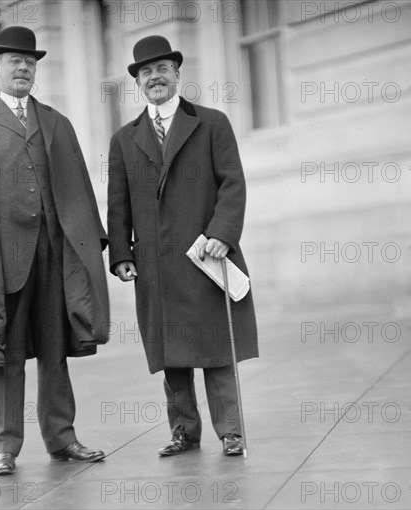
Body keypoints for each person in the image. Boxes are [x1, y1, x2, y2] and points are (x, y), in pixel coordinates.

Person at [0, 26, 110, 475]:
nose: (23, 68)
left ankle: (62, 438)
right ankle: (6, 447)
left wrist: (94, 245)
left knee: (55, 351)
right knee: (8, 354)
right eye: (14, 61)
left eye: (30, 62)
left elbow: (79, 189)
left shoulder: (55, 121)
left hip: (53, 254)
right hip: (3, 259)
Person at [107, 35, 259, 457]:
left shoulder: (212, 123)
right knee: (171, 355)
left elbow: (232, 182)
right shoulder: (123, 139)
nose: (154, 78)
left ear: (177, 74)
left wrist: (221, 235)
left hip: (205, 255)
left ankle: (230, 430)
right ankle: (184, 432)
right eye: (145, 72)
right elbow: (117, 202)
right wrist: (121, 254)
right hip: (154, 263)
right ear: (137, 82)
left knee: (216, 348)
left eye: (162, 69)